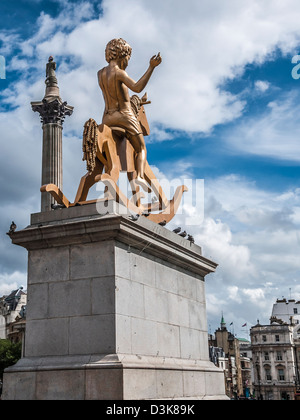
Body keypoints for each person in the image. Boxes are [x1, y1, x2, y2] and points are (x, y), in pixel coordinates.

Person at [98, 38, 162, 192]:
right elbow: (137, 88)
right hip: (125, 117)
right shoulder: (119, 73)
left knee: (110, 156)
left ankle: (110, 183)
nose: (128, 61)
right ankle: (139, 177)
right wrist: (151, 67)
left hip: (107, 118)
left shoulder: (100, 73)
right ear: (122, 55)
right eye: (128, 57)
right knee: (141, 149)